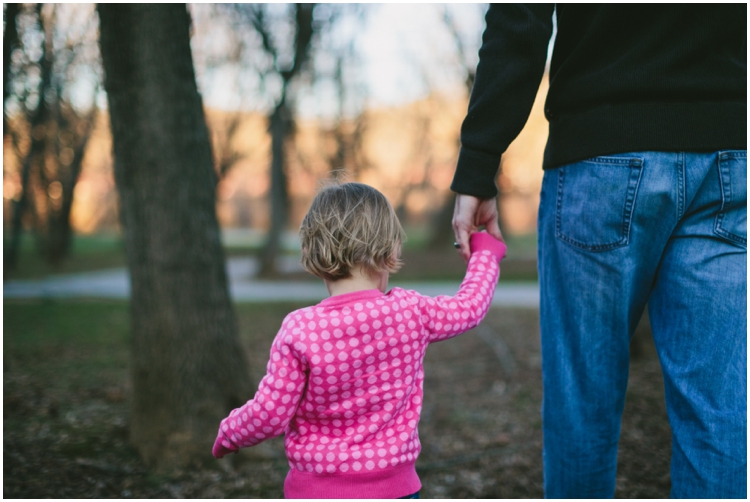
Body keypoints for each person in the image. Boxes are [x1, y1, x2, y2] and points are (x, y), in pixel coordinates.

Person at [450, 4, 746, 499]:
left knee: (581, 403)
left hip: (602, 152)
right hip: (727, 157)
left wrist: (480, 158)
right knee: (717, 410)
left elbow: (519, 20)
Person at [213, 182, 506, 499]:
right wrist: (485, 254)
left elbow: (269, 415)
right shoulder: (410, 313)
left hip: (318, 491)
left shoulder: (301, 330)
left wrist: (229, 434)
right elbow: (469, 307)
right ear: (391, 249)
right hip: (397, 490)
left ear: (313, 250)